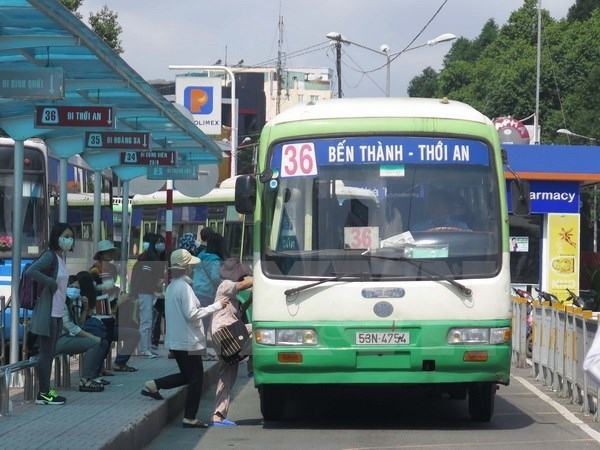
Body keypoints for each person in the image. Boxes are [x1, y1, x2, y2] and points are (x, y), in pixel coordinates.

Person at [141, 249, 228, 428]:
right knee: (196, 379)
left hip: (178, 341)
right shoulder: (184, 288)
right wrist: (216, 306)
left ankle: (154, 385)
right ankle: (189, 417)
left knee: (189, 376)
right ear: (187, 267)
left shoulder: (173, 286)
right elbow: (192, 314)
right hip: (188, 341)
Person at [27, 222, 74, 405]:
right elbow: (32, 271)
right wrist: (49, 282)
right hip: (48, 314)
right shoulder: (50, 256)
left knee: (50, 353)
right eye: (65, 236)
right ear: (57, 237)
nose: (68, 240)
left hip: (57, 313)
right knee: (46, 354)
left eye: (70, 236)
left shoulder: (60, 258)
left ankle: (46, 391)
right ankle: (44, 393)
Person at [211, 258, 253, 427]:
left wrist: (250, 299)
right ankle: (253, 368)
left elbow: (239, 312)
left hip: (227, 334)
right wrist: (261, 278)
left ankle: (218, 415)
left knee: (227, 376)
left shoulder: (232, 296)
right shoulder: (226, 284)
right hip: (226, 333)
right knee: (261, 330)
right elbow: (245, 284)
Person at [55, 276, 109, 392]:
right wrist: (91, 336)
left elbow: (79, 324)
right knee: (94, 343)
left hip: (67, 337)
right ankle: (86, 380)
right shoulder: (61, 302)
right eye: (71, 287)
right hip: (58, 339)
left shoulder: (72, 302)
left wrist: (85, 308)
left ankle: (93, 376)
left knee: (101, 342)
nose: (74, 290)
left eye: (77, 288)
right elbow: (71, 327)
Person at [130, 233, 166, 358]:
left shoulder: (147, 258)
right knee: (146, 321)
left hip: (146, 293)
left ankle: (146, 347)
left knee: (148, 320)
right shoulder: (147, 259)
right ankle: (144, 349)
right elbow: (144, 280)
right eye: (158, 242)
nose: (161, 245)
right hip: (144, 293)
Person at [192, 232, 227, 360]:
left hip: (197, 291)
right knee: (204, 325)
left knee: (200, 324)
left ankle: (202, 351)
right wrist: (226, 284)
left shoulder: (201, 255)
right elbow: (214, 278)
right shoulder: (214, 259)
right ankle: (201, 353)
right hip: (207, 293)